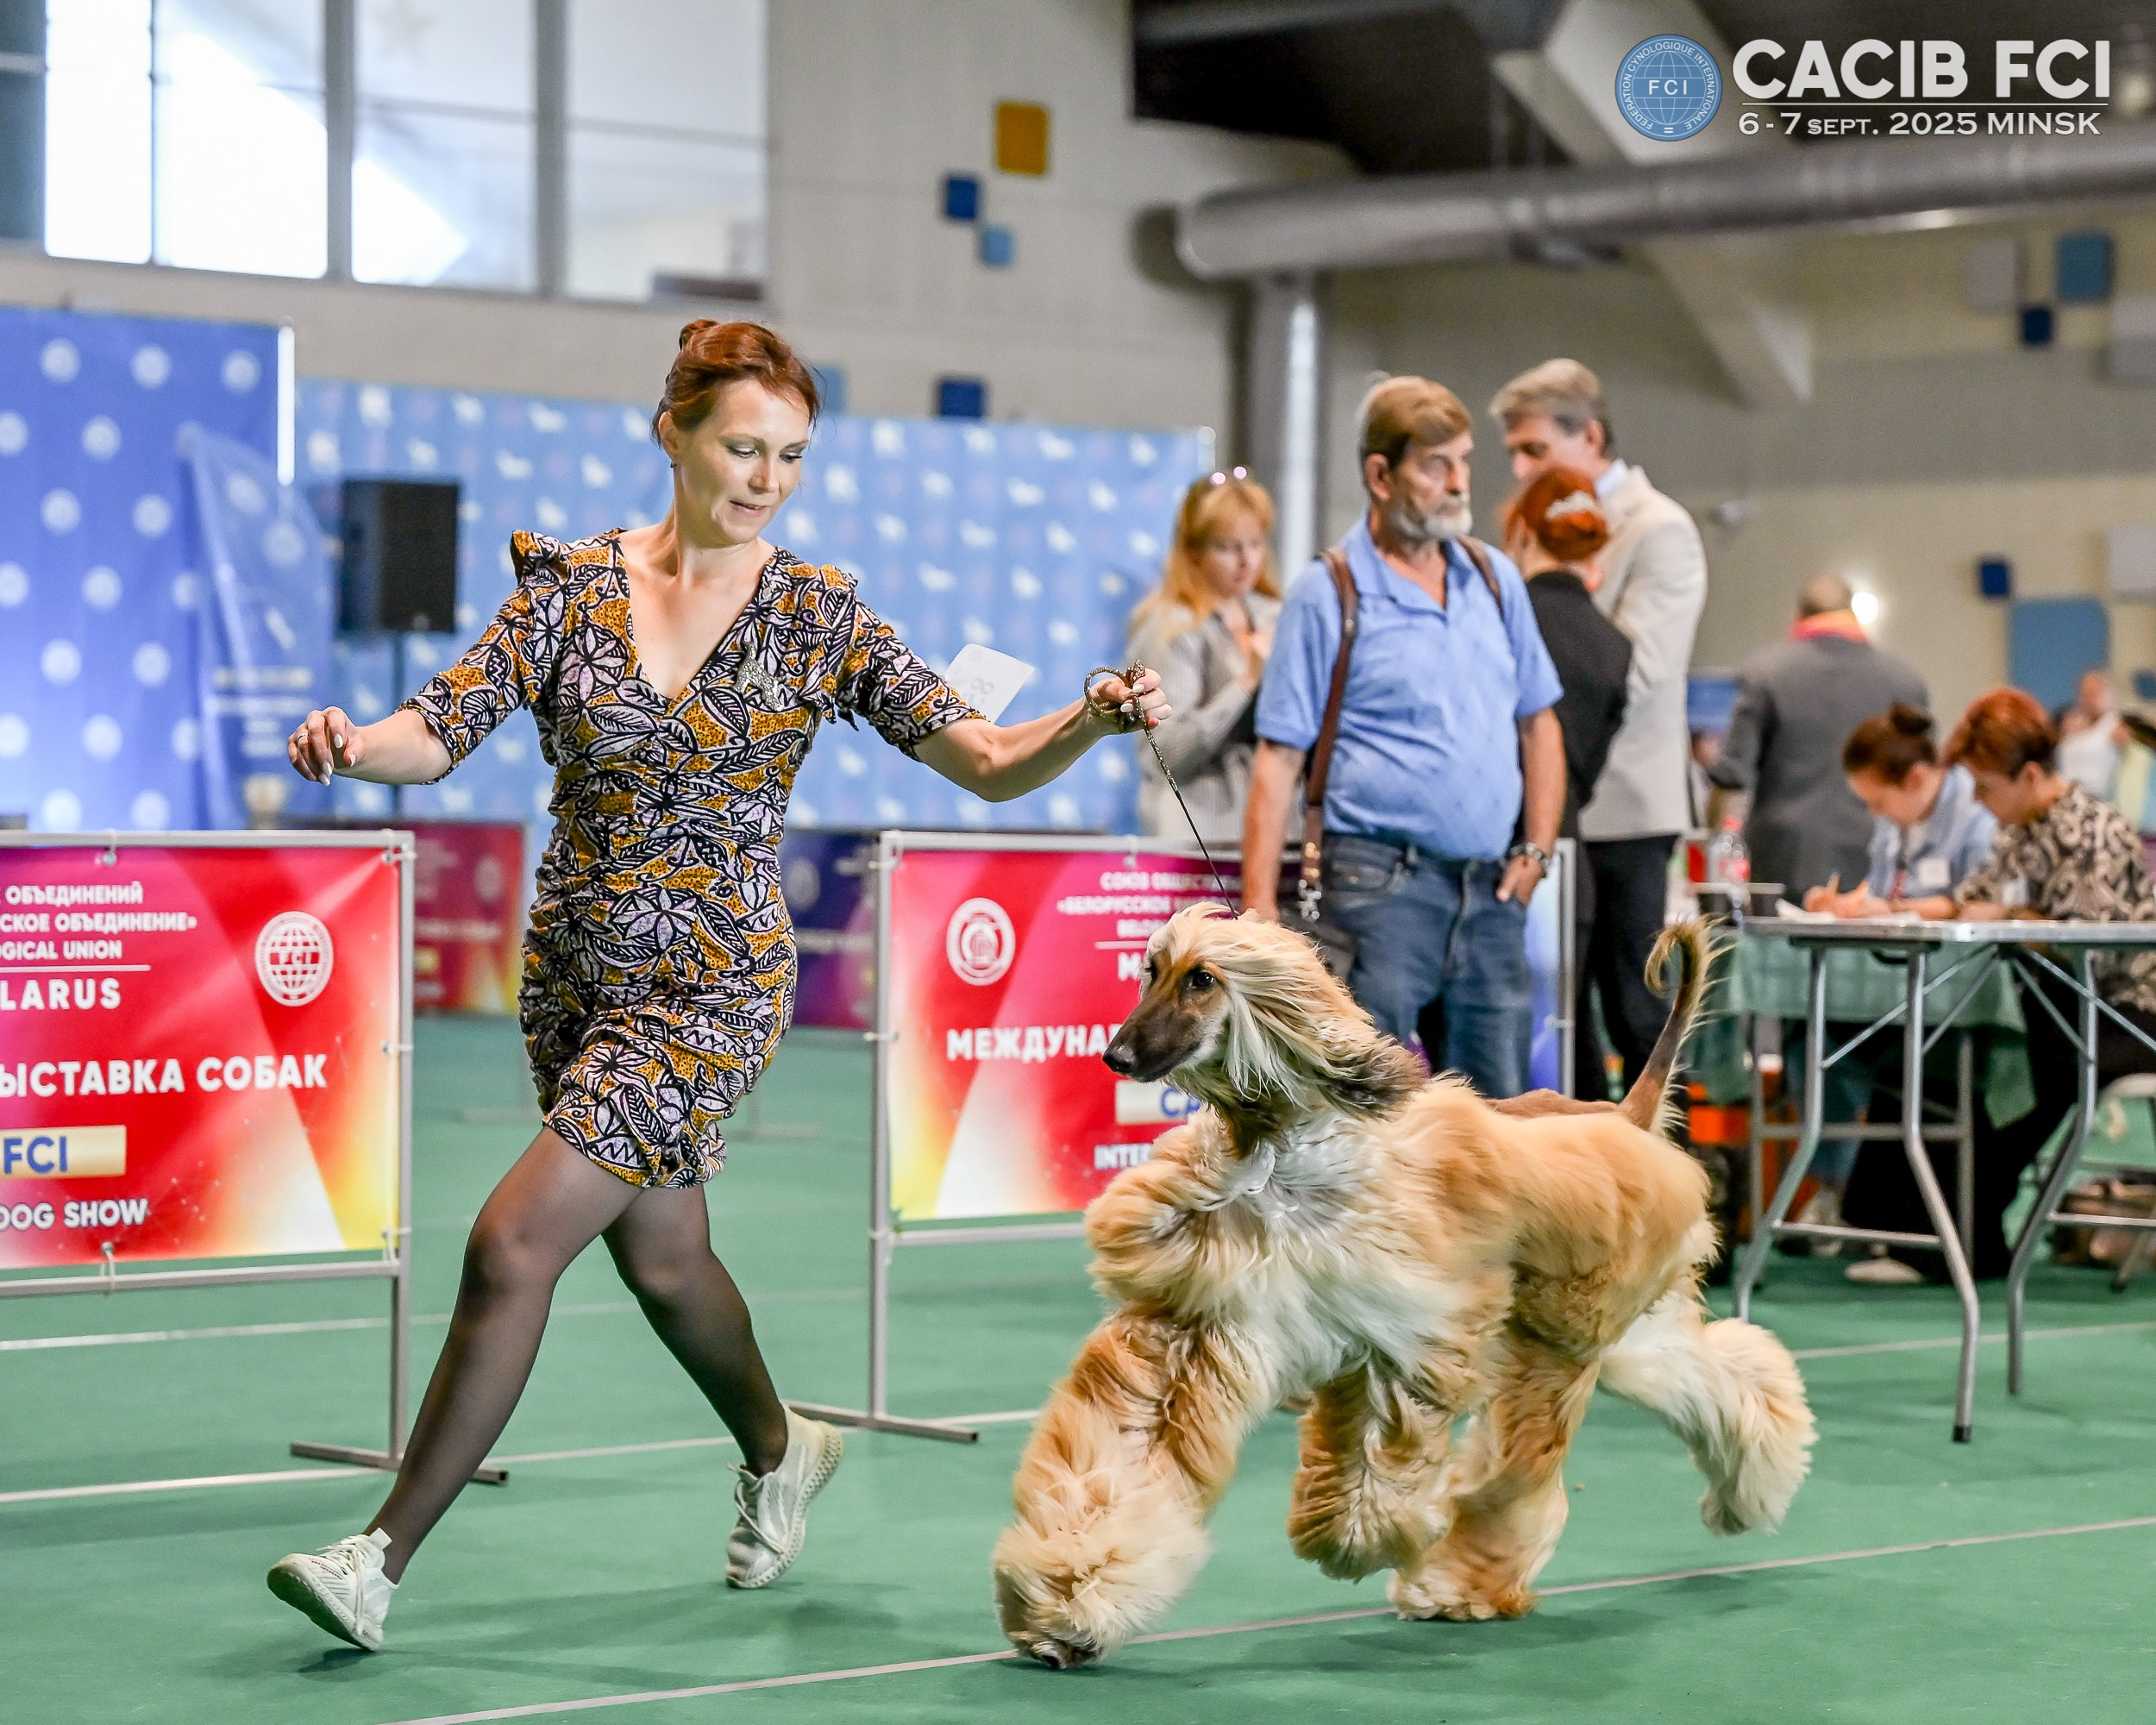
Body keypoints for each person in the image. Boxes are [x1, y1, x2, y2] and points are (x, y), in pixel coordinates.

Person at [264, 320, 1169, 1652]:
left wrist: (1084, 718)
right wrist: (352, 748)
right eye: (744, 446)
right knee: (671, 1265)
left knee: (512, 1242)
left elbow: (981, 756)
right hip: (573, 978)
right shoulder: (567, 592)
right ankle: (780, 1444)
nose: (767, 478)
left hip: (713, 987)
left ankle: (377, 1557)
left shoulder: (820, 616)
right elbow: (435, 732)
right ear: (673, 435)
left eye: (791, 455)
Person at [1240, 374, 1564, 1098]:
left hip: (1492, 895)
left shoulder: (1495, 577)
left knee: (1500, 1132)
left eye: (1464, 462)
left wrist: (1537, 848)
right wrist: (1258, 912)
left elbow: (1540, 722)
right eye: (1435, 465)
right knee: (1363, 1119)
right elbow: (1279, 756)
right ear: (1380, 475)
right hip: (1376, 889)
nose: (1458, 484)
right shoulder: (1329, 591)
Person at [1826, 688, 2156, 1282]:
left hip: (2124, 1012)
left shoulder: (2093, 828)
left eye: (1985, 787)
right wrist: (1884, 907)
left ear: (2029, 775)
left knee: (2001, 1065)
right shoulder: (2022, 827)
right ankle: (1895, 1229)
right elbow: (1967, 899)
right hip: (2060, 1005)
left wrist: (2015, 923)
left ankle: (1956, 1244)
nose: (1977, 801)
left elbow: (2098, 944)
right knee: (1931, 1049)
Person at [1493, 359, 1705, 1095]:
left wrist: (1544, 737)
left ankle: (1669, 1181)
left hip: (1623, 811)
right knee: (1562, 1012)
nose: (1518, 469)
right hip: (1561, 811)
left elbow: (1635, 673)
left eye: (1534, 451)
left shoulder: (1661, 529)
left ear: (1591, 435)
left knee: (1633, 1008)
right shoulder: (1535, 525)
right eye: (1514, 454)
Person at [1796, 705, 1997, 1272]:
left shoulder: (1979, 816)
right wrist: (1844, 905)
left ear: (1914, 779)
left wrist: (1894, 906)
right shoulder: (1894, 824)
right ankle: (1833, 1185)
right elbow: (1880, 892)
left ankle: (1900, 1221)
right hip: (1892, 989)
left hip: (1960, 995)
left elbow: (1977, 902)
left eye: (1878, 802)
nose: (1874, 814)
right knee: (1805, 1035)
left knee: (1912, 1065)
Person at [1500, 466, 1633, 1098]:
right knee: (1569, 1035)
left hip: (1499, 848)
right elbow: (1593, 769)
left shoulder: (1502, 617)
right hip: (1564, 852)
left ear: (1523, 530)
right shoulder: (1614, 645)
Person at [1707, 574, 1927, 900]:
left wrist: (1713, 845)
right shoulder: (1906, 681)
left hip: (1782, 859)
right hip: (1876, 859)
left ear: (1797, 615)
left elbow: (1731, 775)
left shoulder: (1766, 671)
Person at [1125, 468, 1282, 846]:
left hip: (1273, 833)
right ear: (1193, 552)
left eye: (1256, 544)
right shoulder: (1170, 629)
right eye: (1228, 548)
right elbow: (1165, 753)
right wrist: (1246, 684)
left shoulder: (1276, 616)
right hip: (1198, 840)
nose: (1246, 560)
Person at [2055, 666, 2124, 798]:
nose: (2090, 698)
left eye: (2095, 692)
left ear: (2109, 693)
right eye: (2085, 693)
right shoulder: (2071, 723)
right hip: (2067, 795)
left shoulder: (2116, 725)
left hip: (2099, 799)